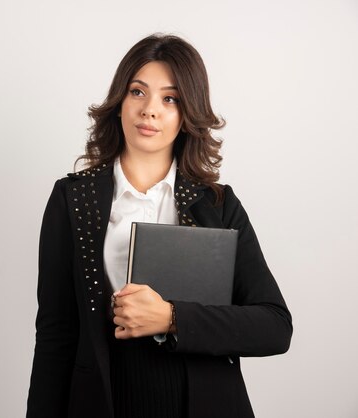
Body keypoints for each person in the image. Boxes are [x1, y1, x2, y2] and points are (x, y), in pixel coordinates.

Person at [26, 33, 292, 418]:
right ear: (119, 102)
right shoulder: (73, 199)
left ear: (187, 116)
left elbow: (274, 326)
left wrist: (171, 317)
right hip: (104, 401)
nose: (150, 110)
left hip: (204, 403)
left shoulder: (217, 205)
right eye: (138, 92)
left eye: (170, 99)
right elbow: (55, 334)